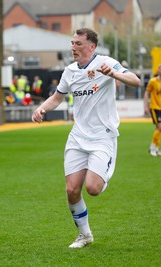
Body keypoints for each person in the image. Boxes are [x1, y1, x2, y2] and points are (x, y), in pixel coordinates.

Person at [32, 28, 140, 248]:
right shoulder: (69, 71)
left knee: (93, 188)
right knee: (72, 190)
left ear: (92, 46)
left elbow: (135, 80)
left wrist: (113, 74)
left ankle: (103, 173)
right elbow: (56, 98)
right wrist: (41, 109)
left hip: (102, 137)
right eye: (72, 43)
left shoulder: (106, 62)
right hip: (78, 137)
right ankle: (85, 235)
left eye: (78, 44)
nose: (73, 48)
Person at [144, 64, 161, 157]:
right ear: (158, 71)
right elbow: (147, 93)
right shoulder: (153, 81)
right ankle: (152, 148)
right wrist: (145, 107)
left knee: (158, 129)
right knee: (160, 128)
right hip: (155, 108)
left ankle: (156, 148)